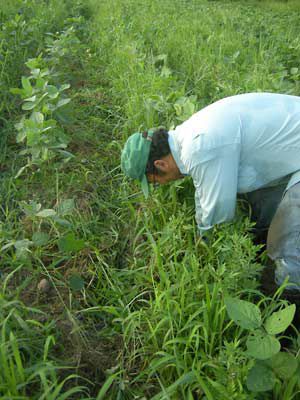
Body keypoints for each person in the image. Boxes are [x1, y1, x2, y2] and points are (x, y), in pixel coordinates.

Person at [121, 92, 300, 293]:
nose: (161, 185)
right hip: (291, 152)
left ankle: (286, 305)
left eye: (156, 182)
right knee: (262, 211)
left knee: (290, 253)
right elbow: (204, 192)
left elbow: (218, 212)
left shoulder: (200, 146)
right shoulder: (188, 137)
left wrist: (205, 250)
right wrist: (202, 230)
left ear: (160, 164)